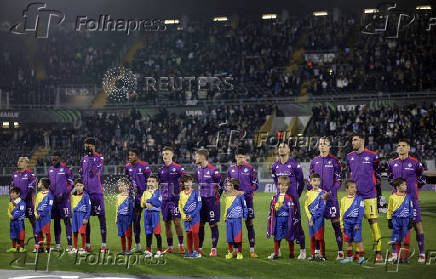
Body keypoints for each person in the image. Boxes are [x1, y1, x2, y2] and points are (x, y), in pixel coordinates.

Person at [387, 139, 427, 263]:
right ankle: (395, 253)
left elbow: (422, 179)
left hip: (412, 200)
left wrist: (413, 190)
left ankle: (421, 253)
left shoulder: (415, 163)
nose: (401, 148)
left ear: (409, 148)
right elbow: (389, 178)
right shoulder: (392, 163)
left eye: (403, 146)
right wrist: (396, 189)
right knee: (396, 227)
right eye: (399, 146)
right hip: (397, 201)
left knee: (417, 225)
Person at [346, 134, 383, 261]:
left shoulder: (373, 155)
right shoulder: (349, 156)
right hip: (355, 197)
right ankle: (358, 252)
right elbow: (350, 173)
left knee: (373, 223)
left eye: (355, 140)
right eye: (352, 140)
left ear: (362, 141)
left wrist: (378, 192)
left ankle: (378, 252)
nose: (353, 142)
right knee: (356, 225)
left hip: (369, 196)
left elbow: (378, 174)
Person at [309, 137, 344, 259]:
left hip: (331, 199)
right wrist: (312, 194)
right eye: (321, 144)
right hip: (318, 200)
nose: (323, 146)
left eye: (325, 144)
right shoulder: (314, 161)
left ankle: (340, 251)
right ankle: (318, 252)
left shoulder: (335, 161)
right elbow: (310, 181)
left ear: (329, 147)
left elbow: (339, 181)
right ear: (318, 146)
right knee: (318, 226)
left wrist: (329, 192)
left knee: (336, 225)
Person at [271, 142, 306, 259]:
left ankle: (302, 250)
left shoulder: (295, 165)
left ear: (289, 150)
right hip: (280, 201)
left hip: (293, 200)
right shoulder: (275, 165)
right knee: (278, 225)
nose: (281, 149)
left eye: (284, 147)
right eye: (280, 147)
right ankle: (277, 251)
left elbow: (301, 182)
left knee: (296, 224)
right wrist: (279, 193)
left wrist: (297, 195)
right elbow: (276, 182)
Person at [225, 147, 259, 258]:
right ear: (235, 157)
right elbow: (226, 184)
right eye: (239, 157)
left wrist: (245, 192)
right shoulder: (231, 170)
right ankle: (235, 250)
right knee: (235, 224)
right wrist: (229, 192)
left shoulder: (250, 169)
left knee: (249, 223)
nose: (241, 159)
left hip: (247, 200)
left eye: (243, 157)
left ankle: (252, 250)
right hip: (234, 201)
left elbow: (256, 184)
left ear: (245, 157)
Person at [79, 137, 107, 253]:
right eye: (86, 146)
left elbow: (94, 172)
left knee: (102, 219)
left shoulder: (99, 158)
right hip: (86, 194)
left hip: (97, 193)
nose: (87, 148)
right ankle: (87, 245)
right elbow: (81, 174)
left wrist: (91, 157)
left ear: (93, 146)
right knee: (86, 220)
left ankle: (104, 245)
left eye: (89, 146)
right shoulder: (83, 159)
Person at [158, 146, 186, 254]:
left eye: (167, 154)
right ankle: (170, 247)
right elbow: (159, 184)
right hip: (165, 200)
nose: (165, 156)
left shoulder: (178, 168)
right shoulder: (160, 170)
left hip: (175, 200)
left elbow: (185, 180)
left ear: (172, 155)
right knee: (167, 223)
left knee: (177, 222)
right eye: (164, 154)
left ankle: (181, 246)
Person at [194, 148, 221, 256]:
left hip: (212, 202)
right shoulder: (197, 170)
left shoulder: (214, 171)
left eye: (196, 156)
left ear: (202, 157)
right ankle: (200, 248)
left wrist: (215, 198)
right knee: (200, 224)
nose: (195, 158)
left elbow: (220, 186)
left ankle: (214, 249)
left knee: (213, 224)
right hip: (202, 202)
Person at [125, 148, 152, 252]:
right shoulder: (127, 166)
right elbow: (126, 180)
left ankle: (149, 247)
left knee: (148, 221)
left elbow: (150, 182)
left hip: (143, 198)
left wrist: (148, 196)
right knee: (135, 221)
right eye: (129, 155)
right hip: (132, 198)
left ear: (136, 156)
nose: (129, 157)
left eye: (131, 155)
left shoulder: (145, 166)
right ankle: (138, 245)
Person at [10, 157, 38, 252]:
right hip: (17, 204)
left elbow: (30, 189)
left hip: (28, 203)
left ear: (26, 163)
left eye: (21, 161)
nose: (19, 163)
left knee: (33, 222)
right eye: (18, 161)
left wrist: (19, 201)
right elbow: (12, 189)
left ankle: (37, 244)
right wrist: (12, 201)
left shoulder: (31, 174)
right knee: (18, 223)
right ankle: (19, 245)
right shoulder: (14, 175)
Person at [48, 151, 73, 251]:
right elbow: (49, 185)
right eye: (53, 159)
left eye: (56, 159)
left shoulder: (66, 169)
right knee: (56, 222)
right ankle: (57, 245)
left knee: (67, 221)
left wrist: (63, 194)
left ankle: (70, 245)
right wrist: (52, 196)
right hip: (54, 201)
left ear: (60, 159)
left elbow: (71, 184)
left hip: (64, 200)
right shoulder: (50, 170)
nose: (54, 161)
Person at [267, 176, 295, 260]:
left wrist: (284, 206)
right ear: (278, 185)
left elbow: (292, 210)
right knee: (277, 236)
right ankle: (276, 253)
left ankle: (291, 253)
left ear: (288, 186)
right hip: (278, 219)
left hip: (287, 220)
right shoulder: (275, 197)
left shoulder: (289, 198)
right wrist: (275, 207)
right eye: (281, 185)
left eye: (285, 185)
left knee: (290, 236)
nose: (283, 187)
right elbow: (271, 210)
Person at [387, 178, 414, 264]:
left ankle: (406, 258)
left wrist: (411, 220)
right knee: (397, 240)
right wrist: (389, 220)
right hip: (396, 221)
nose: (405, 186)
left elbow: (411, 209)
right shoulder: (392, 197)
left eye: (405, 184)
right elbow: (389, 209)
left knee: (406, 240)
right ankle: (399, 257)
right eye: (403, 185)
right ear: (397, 187)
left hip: (406, 221)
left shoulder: (408, 196)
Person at [340, 180, 365, 264]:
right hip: (347, 223)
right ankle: (349, 257)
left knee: (358, 240)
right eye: (351, 187)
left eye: (355, 187)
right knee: (348, 240)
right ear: (347, 189)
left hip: (355, 222)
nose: (354, 189)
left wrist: (358, 223)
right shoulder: (343, 199)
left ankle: (361, 258)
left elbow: (361, 212)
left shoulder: (359, 199)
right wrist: (342, 225)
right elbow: (341, 213)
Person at [304, 173, 327, 262]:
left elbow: (322, 208)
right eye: (314, 180)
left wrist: (312, 218)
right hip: (311, 220)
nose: (316, 182)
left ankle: (322, 255)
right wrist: (310, 217)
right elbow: (305, 206)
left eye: (317, 180)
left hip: (318, 220)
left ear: (320, 181)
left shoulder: (322, 193)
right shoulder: (308, 193)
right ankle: (313, 255)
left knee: (320, 238)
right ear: (310, 182)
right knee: (312, 237)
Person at [179, 174, 202, 259]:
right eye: (186, 182)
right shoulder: (181, 193)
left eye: (189, 182)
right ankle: (189, 251)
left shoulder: (196, 193)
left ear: (192, 182)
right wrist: (183, 216)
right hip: (186, 218)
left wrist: (192, 215)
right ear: (183, 183)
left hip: (195, 217)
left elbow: (199, 205)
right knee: (188, 234)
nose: (188, 184)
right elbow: (180, 206)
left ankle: (196, 251)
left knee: (195, 233)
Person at [224, 178, 248, 260]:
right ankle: (230, 252)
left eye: (228, 185)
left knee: (238, 237)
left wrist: (245, 216)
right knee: (229, 237)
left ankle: (239, 253)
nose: (226, 186)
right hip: (229, 219)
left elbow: (244, 206)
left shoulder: (240, 195)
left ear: (232, 186)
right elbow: (226, 207)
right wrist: (225, 216)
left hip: (237, 219)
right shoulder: (227, 194)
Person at [141, 175, 163, 258]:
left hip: (155, 214)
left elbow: (159, 203)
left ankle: (159, 251)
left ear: (157, 183)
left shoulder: (158, 193)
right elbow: (141, 203)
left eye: (153, 181)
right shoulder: (145, 192)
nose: (150, 183)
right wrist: (145, 203)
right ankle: (148, 250)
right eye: (149, 181)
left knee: (157, 233)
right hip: (147, 214)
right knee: (148, 233)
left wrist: (148, 201)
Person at [70, 178, 91, 254]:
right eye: (77, 185)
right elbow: (72, 205)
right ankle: (75, 248)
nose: (79, 187)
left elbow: (89, 208)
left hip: (82, 216)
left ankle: (83, 248)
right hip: (75, 216)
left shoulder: (86, 195)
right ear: (75, 187)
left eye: (80, 185)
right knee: (75, 232)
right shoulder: (73, 196)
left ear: (83, 186)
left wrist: (86, 217)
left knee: (82, 232)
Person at [34, 177, 54, 253]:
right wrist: (36, 213)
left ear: (43, 185)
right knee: (39, 232)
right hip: (38, 217)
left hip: (45, 217)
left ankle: (48, 248)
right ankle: (41, 247)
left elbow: (49, 207)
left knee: (47, 232)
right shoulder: (38, 194)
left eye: (39, 182)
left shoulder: (50, 195)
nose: (38, 184)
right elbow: (35, 205)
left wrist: (41, 214)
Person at [116, 178, 134, 255]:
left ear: (127, 186)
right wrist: (116, 218)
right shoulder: (118, 196)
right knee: (122, 234)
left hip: (127, 218)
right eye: (119, 186)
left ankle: (128, 250)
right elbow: (117, 208)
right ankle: (123, 250)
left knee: (128, 235)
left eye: (122, 185)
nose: (120, 187)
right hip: (120, 218)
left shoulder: (130, 197)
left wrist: (129, 220)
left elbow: (131, 210)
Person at [7, 187, 26, 253]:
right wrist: (10, 216)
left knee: (21, 234)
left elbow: (21, 211)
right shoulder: (10, 203)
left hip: (19, 222)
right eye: (10, 193)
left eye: (13, 193)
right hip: (12, 222)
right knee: (13, 234)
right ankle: (14, 247)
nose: (11, 194)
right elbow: (8, 211)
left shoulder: (22, 202)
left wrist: (14, 217)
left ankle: (21, 247)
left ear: (18, 194)